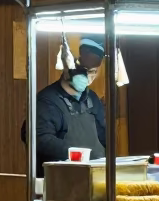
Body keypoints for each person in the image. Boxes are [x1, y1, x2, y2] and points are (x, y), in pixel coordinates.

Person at [23, 37, 107, 176]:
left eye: (92, 72)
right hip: (62, 181)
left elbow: (104, 138)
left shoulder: (92, 99)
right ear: (68, 68)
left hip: (95, 177)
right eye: (82, 70)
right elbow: (40, 140)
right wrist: (77, 154)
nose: (87, 76)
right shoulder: (47, 101)